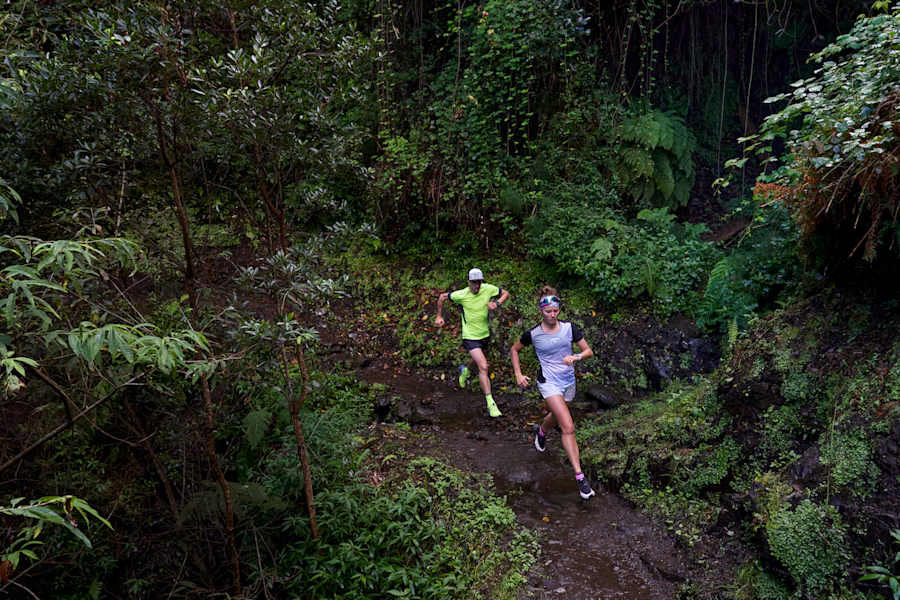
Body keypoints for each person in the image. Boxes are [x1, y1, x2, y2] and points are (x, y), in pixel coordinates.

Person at [509, 286, 596, 499]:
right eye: (548, 312)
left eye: (555, 311)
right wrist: (518, 374)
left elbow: (588, 351)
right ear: (541, 311)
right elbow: (514, 350)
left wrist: (575, 357)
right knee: (568, 426)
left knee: (558, 415)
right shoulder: (533, 334)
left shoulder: (569, 329)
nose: (552, 315)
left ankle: (541, 431)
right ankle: (580, 478)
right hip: (548, 383)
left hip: (568, 381)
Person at [434, 267, 509, 417]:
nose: (477, 286)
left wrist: (497, 303)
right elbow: (442, 297)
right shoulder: (461, 295)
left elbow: (505, 293)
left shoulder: (488, 289)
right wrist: (438, 316)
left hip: (484, 334)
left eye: (479, 283)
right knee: (483, 365)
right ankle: (490, 403)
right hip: (470, 336)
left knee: (477, 361)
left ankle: (465, 370)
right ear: (468, 282)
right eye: (474, 283)